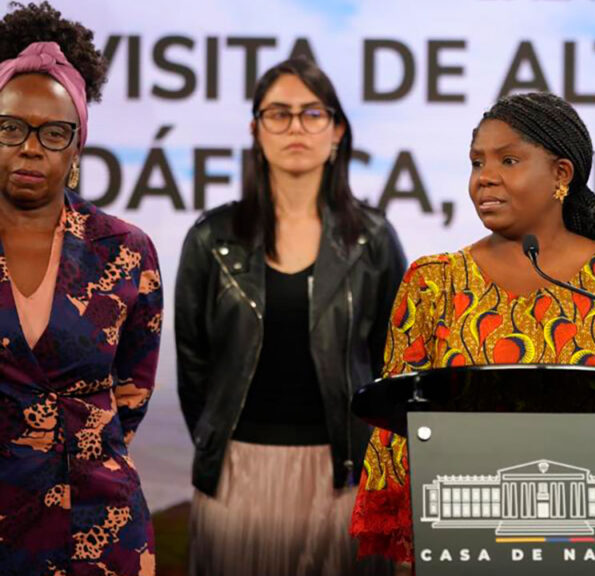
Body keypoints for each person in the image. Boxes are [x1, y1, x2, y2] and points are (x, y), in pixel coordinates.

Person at [350, 92, 595, 574]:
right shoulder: (432, 282)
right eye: (477, 162)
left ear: (561, 175)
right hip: (466, 548)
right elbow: (399, 433)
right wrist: (407, 549)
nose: (485, 177)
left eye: (509, 160)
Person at [174, 56, 405, 575]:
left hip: (343, 478)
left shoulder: (373, 240)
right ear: (256, 130)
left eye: (312, 113)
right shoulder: (212, 238)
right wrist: (223, 447)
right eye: (278, 113)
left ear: (337, 130)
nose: (296, 127)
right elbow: (194, 367)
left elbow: (395, 367)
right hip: (237, 475)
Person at [0, 2, 162, 574]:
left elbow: (129, 400)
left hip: (98, 531)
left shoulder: (125, 250)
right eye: (10, 127)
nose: (30, 146)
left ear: (76, 148)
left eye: (54, 132)